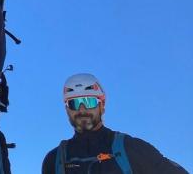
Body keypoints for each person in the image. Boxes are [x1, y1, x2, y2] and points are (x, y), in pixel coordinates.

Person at [42, 73, 188, 174]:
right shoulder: (54, 160)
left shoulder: (131, 148)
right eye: (74, 103)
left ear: (102, 105)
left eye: (89, 101)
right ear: (67, 110)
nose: (82, 109)